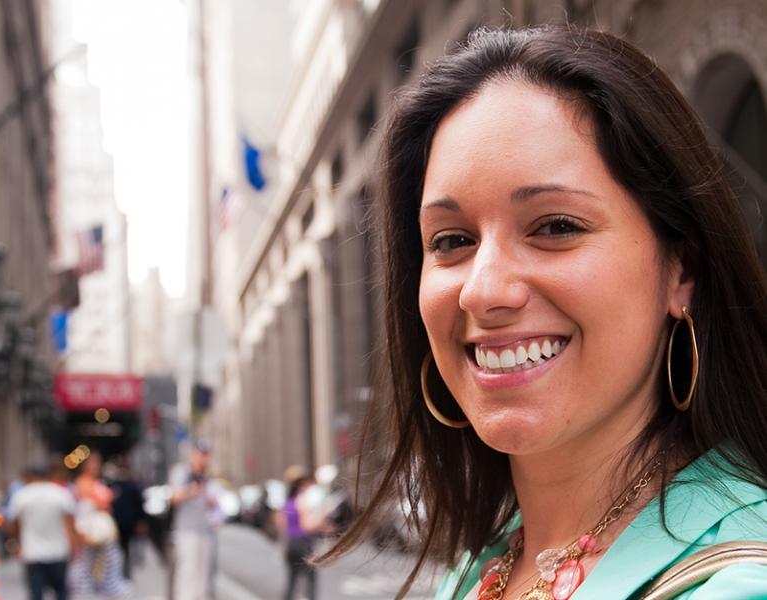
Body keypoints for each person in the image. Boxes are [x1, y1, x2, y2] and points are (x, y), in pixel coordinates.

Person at [319, 25, 767, 600]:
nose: (483, 292)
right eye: (452, 240)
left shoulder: (737, 583)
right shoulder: (485, 565)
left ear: (682, 271)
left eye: (556, 227)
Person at [8, 463, 77, 600]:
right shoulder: (61, 493)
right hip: (58, 550)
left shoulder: (22, 495)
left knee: (36, 592)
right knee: (61, 591)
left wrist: (16, 543)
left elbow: (13, 524)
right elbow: (70, 524)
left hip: (32, 552)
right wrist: (74, 546)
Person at [68, 451, 130, 598]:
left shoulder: (98, 482)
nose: (95, 466)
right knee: (85, 568)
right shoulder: (82, 483)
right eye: (92, 463)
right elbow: (85, 508)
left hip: (102, 533)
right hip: (88, 530)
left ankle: (106, 591)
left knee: (108, 565)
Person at [169, 439, 220, 600]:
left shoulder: (207, 476)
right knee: (187, 573)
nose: (203, 459)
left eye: (206, 455)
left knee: (204, 575)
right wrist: (192, 491)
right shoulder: (182, 472)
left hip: (206, 530)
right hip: (186, 530)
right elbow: (174, 497)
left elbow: (213, 502)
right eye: (200, 454)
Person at [278, 466, 333, 600]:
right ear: (302, 484)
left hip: (291, 544)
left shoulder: (288, 501)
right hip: (304, 544)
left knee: (292, 582)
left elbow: (281, 523)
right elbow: (306, 526)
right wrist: (323, 518)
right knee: (311, 582)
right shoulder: (302, 501)